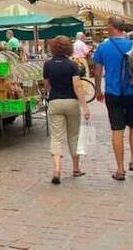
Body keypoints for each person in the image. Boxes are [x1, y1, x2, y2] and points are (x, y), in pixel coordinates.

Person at [92, 16, 133, 181]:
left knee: (117, 130)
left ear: (111, 27)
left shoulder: (103, 47)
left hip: (113, 92)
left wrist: (98, 90)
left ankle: (120, 169)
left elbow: (97, 72)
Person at [43, 35, 92, 184]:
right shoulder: (72, 65)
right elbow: (77, 86)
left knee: (56, 137)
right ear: (68, 48)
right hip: (71, 103)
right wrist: (85, 107)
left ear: (53, 48)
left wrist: (46, 94)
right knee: (74, 136)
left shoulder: (48, 65)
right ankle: (76, 168)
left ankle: (57, 169)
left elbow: (47, 86)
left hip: (55, 102)